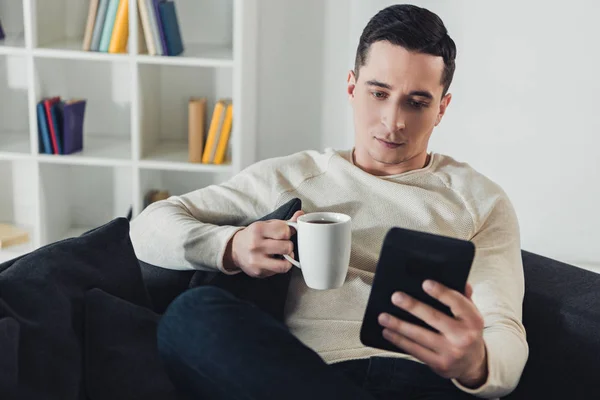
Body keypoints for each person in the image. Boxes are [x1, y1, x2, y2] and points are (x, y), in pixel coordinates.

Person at [130, 4, 528, 400]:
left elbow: (504, 329)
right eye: (379, 93)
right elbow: (147, 227)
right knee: (191, 317)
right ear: (352, 88)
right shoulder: (291, 176)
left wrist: (476, 362)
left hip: (422, 381)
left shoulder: (480, 201)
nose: (393, 121)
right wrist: (230, 248)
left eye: (417, 102)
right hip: (307, 376)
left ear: (441, 108)